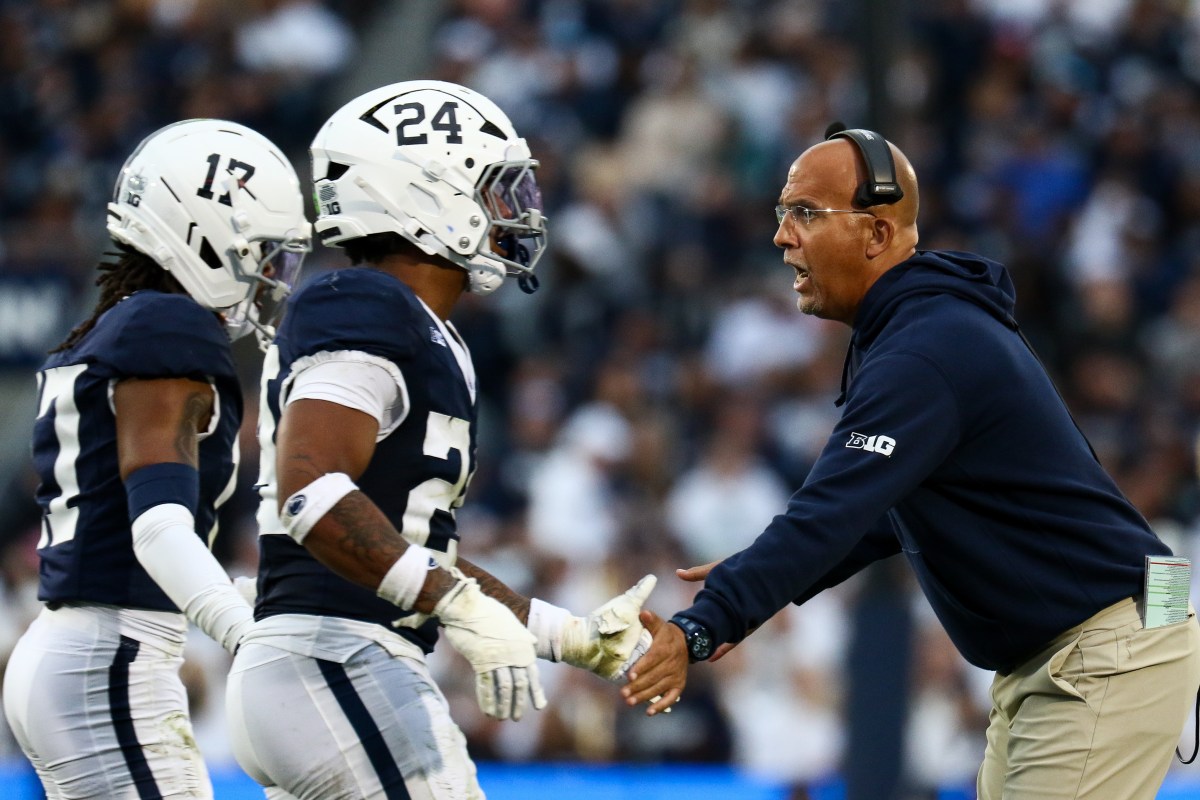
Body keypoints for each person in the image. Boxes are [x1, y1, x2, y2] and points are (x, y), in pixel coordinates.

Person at [623, 126, 1200, 800]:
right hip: (1079, 644)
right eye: (783, 214)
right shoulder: (919, 332)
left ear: (875, 235)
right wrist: (761, 573)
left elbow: (832, 509)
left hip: (1104, 646)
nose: (783, 236)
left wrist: (706, 620)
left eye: (805, 213)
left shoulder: (924, 349)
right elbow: (874, 515)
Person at [226, 79, 656, 800]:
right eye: (495, 190)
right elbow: (311, 486)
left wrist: (569, 636)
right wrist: (456, 605)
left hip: (332, 666)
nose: (515, 212)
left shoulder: (420, 325)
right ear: (424, 195)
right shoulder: (362, 302)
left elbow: (417, 552)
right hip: (335, 660)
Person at [2, 119, 311, 798]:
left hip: (89, 648)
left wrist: (268, 604)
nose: (273, 277)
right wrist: (250, 639)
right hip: (108, 658)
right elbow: (157, 528)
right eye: (264, 252)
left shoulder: (126, 321)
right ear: (203, 233)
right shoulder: (169, 325)